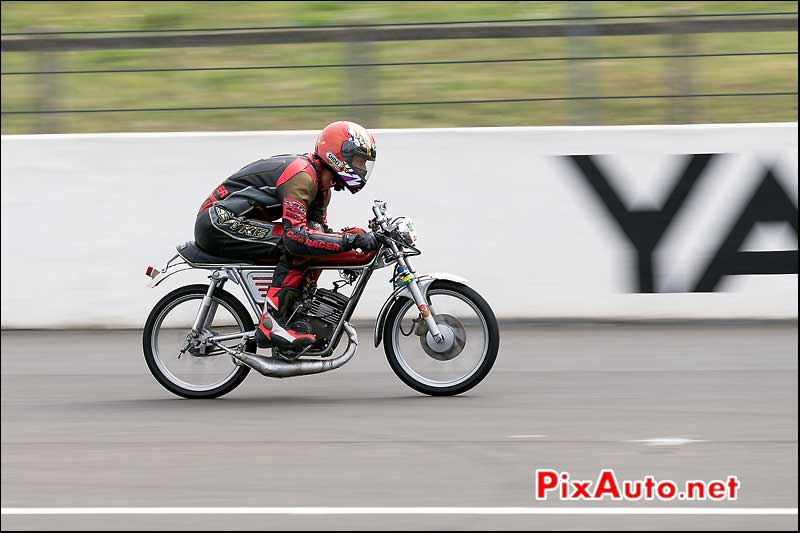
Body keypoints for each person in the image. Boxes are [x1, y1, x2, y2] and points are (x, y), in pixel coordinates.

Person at [194, 121, 379, 351]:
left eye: (364, 163)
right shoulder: (302, 176)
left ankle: (298, 310)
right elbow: (296, 238)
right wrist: (348, 240)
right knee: (295, 244)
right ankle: (272, 324)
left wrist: (354, 237)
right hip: (217, 221)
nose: (361, 168)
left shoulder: (321, 189)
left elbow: (317, 234)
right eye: (358, 160)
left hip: (233, 221)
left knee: (313, 241)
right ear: (337, 154)